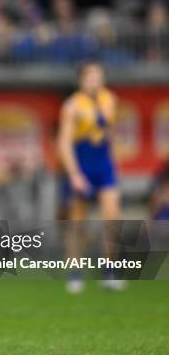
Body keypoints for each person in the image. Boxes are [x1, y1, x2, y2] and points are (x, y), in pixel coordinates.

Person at [57, 61, 123, 293]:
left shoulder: (110, 99)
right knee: (78, 224)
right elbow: (64, 142)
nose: (95, 81)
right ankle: (74, 272)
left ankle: (109, 271)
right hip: (82, 165)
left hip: (104, 165)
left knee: (112, 218)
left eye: (99, 76)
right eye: (91, 77)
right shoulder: (72, 106)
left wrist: (114, 160)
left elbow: (110, 133)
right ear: (81, 80)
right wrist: (74, 174)